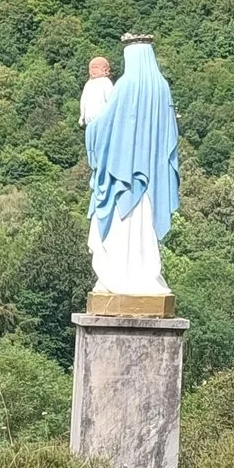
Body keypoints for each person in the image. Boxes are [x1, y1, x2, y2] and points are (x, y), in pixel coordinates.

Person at [84, 35, 177, 298]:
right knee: (145, 232)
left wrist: (91, 129)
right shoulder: (162, 88)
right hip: (151, 184)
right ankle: (146, 277)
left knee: (120, 233)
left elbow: (104, 125)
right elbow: (170, 135)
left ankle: (119, 279)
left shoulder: (126, 85)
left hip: (122, 180)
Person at [79, 56, 115, 127]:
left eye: (95, 67)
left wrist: (82, 116)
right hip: (99, 121)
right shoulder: (105, 82)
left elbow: (83, 101)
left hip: (93, 121)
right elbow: (111, 101)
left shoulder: (90, 83)